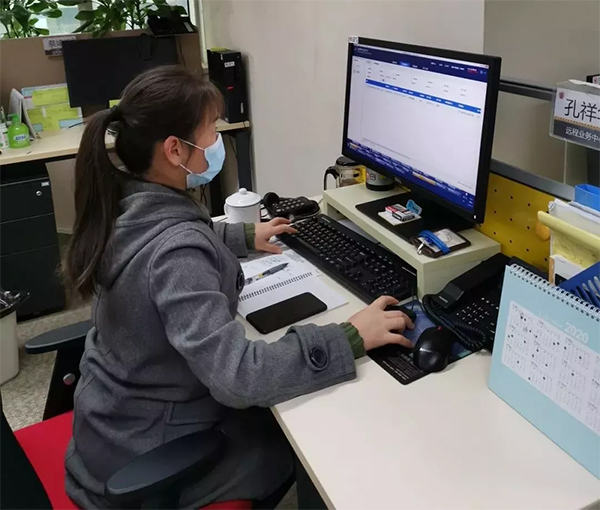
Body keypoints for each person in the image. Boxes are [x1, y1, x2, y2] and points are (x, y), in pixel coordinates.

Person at [63, 66, 414, 509]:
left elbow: (167, 245)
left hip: (112, 426)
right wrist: (349, 336)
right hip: (146, 459)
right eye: (211, 130)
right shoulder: (177, 254)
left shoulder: (122, 202)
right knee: (309, 438)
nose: (217, 141)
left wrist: (241, 236)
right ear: (174, 149)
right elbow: (239, 377)